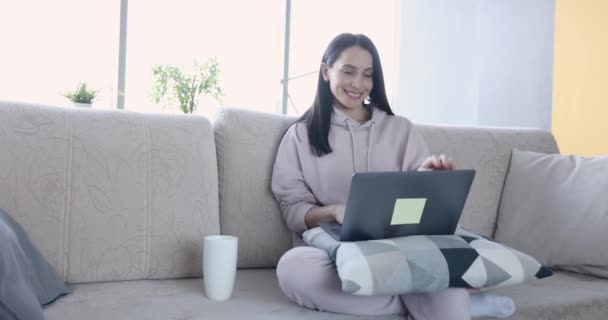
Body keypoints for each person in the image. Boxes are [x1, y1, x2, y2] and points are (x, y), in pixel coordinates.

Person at [271, 33, 515, 319]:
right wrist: (333, 211)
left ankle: (430, 297)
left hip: (403, 249)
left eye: (367, 75)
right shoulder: (301, 136)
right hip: (338, 252)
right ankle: (456, 304)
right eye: (348, 72)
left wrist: (429, 179)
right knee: (293, 268)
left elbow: (423, 208)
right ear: (326, 71)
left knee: (448, 261)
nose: (358, 84)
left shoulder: (400, 129)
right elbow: (292, 210)